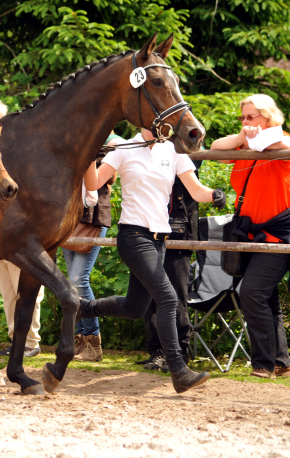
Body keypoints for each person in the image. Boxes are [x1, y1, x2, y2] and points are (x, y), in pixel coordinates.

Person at [81, 129, 227, 393]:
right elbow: (93, 183)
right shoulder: (123, 149)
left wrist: (215, 194)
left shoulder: (173, 150)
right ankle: (178, 370)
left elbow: (195, 190)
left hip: (160, 240)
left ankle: (81, 307)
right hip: (133, 236)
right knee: (168, 299)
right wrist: (90, 155)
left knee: (135, 308)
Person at [210, 94, 290, 379]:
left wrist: (255, 138)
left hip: (281, 232)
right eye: (242, 117)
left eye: (251, 117)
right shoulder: (245, 143)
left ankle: (263, 364)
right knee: (266, 296)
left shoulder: (283, 140)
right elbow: (215, 148)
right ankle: (281, 363)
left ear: (268, 118)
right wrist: (240, 135)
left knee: (252, 292)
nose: (246, 123)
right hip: (252, 231)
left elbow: (281, 145)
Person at [0, 98, 43, 358]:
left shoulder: (23, 149)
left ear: (5, 121)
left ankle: (31, 342)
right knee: (8, 291)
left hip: (22, 232)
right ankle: (17, 340)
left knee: (28, 288)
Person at [65, 133, 121, 362]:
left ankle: (93, 342)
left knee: (79, 280)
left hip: (93, 217)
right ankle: (81, 338)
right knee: (71, 283)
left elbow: (111, 179)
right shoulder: (75, 136)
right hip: (70, 216)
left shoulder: (113, 142)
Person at [140, 171, 200, 371]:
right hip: (146, 234)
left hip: (178, 235)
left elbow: (195, 195)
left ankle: (180, 353)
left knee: (176, 296)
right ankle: (157, 351)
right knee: (148, 296)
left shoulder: (181, 160)